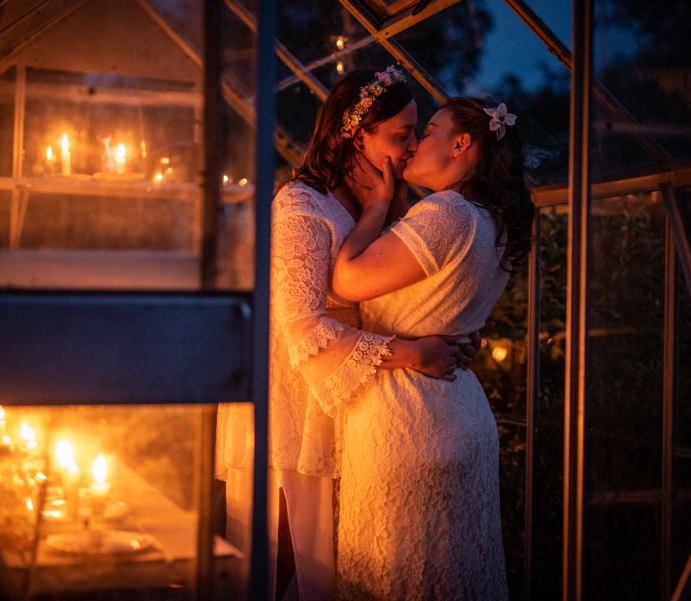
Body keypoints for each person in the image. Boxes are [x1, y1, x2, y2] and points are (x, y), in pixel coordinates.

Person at [216, 68, 486, 601]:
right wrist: (413, 354)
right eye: (400, 135)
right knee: (288, 559)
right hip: (292, 408)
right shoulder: (301, 206)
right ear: (354, 133)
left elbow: (390, 300)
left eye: (415, 133)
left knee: (341, 563)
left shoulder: (378, 204)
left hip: (359, 404)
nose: (410, 149)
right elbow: (299, 325)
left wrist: (448, 336)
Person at [331, 97, 534, 600]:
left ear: (462, 144)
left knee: (402, 575)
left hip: (407, 419)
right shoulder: (496, 221)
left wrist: (376, 205)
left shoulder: (446, 211)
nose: (417, 142)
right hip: (460, 407)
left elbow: (348, 279)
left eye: (432, 129)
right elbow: (444, 308)